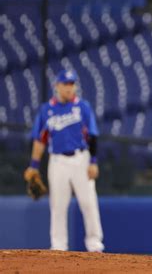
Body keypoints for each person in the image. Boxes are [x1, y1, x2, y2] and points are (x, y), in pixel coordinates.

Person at [23, 70, 104, 252]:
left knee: (88, 202)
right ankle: (58, 246)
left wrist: (93, 161)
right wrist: (34, 166)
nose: (70, 87)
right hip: (57, 161)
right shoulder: (47, 110)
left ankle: (95, 244)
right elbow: (40, 140)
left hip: (80, 159)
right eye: (66, 84)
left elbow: (93, 135)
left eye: (72, 84)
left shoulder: (82, 107)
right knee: (58, 205)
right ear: (57, 86)